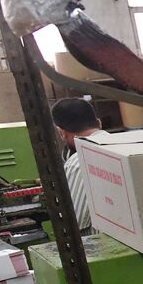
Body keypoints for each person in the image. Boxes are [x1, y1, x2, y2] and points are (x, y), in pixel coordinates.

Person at [50, 97, 96, 232]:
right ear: (99, 122)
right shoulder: (123, 147)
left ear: (61, 132)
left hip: (104, 248)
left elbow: (75, 222)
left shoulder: (78, 162)